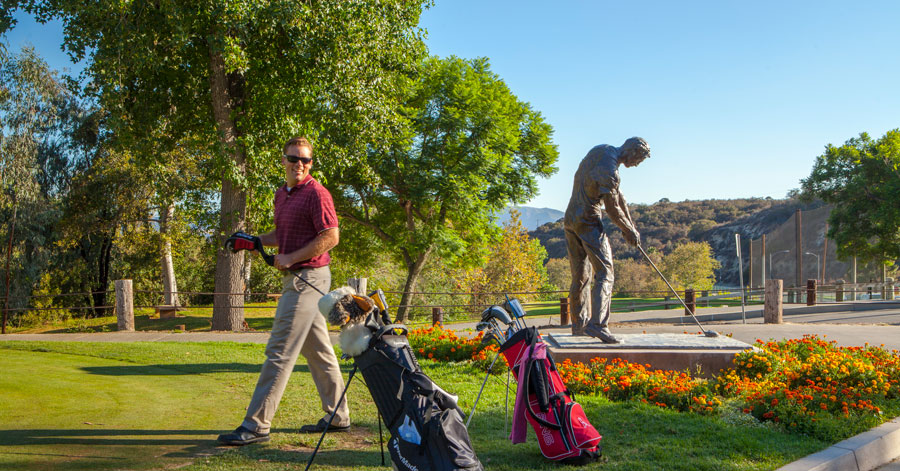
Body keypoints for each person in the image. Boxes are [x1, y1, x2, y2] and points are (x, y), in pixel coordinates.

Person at [218, 137, 350, 446]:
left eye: (305, 160)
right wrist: (254, 241)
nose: (299, 164)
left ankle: (256, 425)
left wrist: (291, 257)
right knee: (318, 351)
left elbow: (330, 236)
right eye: (294, 158)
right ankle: (339, 415)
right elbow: (284, 234)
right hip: (296, 277)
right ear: (284, 160)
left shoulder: (318, 193)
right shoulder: (283, 195)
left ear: (310, 163)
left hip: (310, 279)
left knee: (279, 350)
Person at [564, 137, 650, 343]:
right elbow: (612, 208)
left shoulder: (602, 151)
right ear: (632, 152)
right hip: (588, 221)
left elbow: (619, 197)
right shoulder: (611, 172)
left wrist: (631, 227)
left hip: (570, 219)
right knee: (606, 272)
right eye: (638, 160)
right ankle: (598, 325)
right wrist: (627, 230)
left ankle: (579, 325)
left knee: (580, 276)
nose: (637, 164)